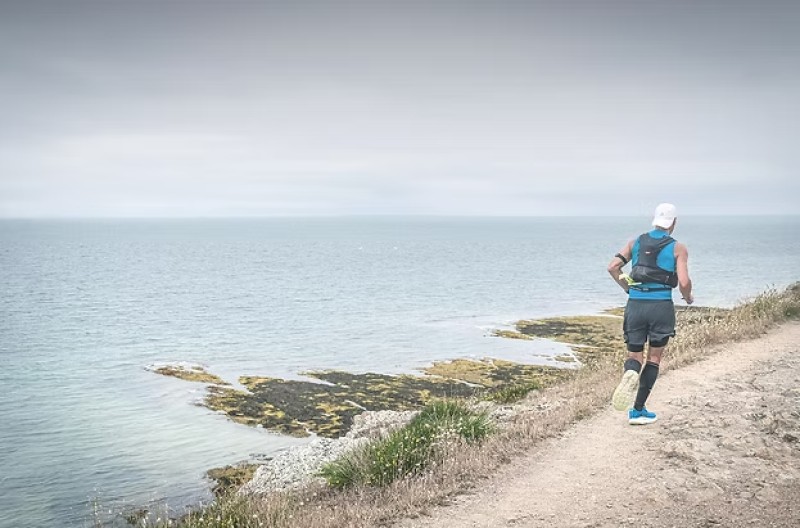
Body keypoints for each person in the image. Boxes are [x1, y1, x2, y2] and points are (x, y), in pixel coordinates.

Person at [606, 203, 693, 425]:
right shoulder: (678, 248)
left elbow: (613, 267)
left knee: (634, 356)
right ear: (674, 222)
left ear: (654, 220)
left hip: (635, 305)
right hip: (660, 307)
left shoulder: (635, 242)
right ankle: (638, 410)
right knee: (654, 358)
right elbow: (683, 282)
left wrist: (628, 288)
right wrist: (688, 297)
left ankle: (631, 372)